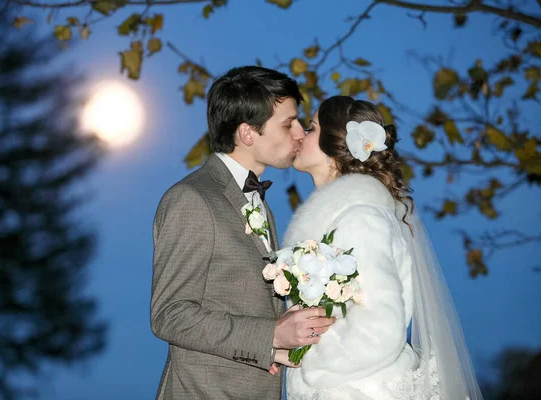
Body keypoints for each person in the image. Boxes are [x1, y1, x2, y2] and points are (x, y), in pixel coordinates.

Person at [150, 66, 336, 400]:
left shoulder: (261, 204)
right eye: (288, 123)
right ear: (248, 134)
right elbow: (170, 315)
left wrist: (273, 347)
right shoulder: (191, 199)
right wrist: (272, 335)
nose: (299, 133)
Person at [284, 95, 483, 399]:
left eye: (311, 128)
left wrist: (313, 366)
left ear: (333, 151)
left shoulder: (361, 220)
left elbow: (380, 329)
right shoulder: (346, 217)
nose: (300, 135)